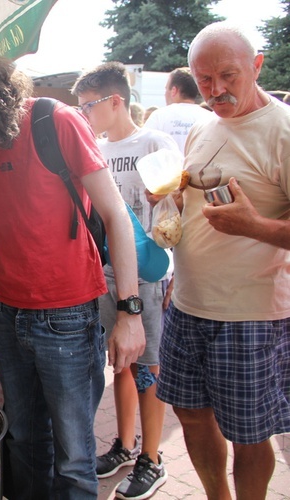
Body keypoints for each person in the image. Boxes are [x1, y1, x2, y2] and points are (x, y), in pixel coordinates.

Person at [0, 47, 145, 500]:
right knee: (24, 441)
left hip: (69, 316)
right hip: (8, 317)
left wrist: (129, 313)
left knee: (73, 456)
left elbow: (116, 215)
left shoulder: (53, 121)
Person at [156, 22, 290, 500]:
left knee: (249, 433)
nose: (216, 91)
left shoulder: (282, 130)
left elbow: (251, 222)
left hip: (250, 313)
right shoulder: (201, 126)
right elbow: (193, 204)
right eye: (205, 80)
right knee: (190, 414)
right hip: (189, 302)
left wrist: (254, 226)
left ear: (256, 66)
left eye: (228, 76)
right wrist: (171, 208)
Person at [71, 61, 179, 500]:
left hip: (147, 275)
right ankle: (125, 445)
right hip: (103, 273)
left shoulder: (155, 141)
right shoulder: (92, 147)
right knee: (121, 361)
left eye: (89, 106)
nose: (84, 114)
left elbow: (175, 216)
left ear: (116, 101)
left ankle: (152, 458)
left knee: (148, 365)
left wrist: (174, 270)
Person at [144, 67, 213, 154]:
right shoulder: (209, 118)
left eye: (166, 89)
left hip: (167, 167)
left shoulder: (159, 116)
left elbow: (143, 147)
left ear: (173, 91)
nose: (165, 94)